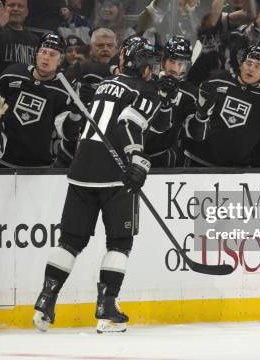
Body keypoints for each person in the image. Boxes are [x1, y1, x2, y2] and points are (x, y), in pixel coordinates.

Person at [32, 37, 163, 334]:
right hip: (114, 172)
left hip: (81, 168)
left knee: (70, 241)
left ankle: (45, 300)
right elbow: (128, 124)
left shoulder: (106, 83)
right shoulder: (145, 90)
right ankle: (107, 307)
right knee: (120, 243)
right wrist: (137, 158)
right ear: (143, 67)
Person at [183, 44, 260, 167]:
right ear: (241, 64)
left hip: (236, 171)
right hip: (197, 162)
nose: (251, 69)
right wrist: (201, 112)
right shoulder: (215, 82)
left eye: (258, 66)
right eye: (248, 63)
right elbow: (189, 127)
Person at [0, 33, 82, 168]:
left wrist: (76, 112)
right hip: (0, 161)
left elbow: (67, 134)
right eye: (43, 52)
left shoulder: (64, 91)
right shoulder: (12, 73)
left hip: (39, 167)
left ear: (60, 59)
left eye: (53, 54)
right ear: (36, 53)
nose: (46, 57)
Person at [144, 35, 208, 167]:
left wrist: (202, 116)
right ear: (163, 61)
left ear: (186, 66)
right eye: (172, 61)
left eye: (180, 64)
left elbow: (195, 135)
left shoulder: (190, 93)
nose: (175, 68)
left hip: (162, 158)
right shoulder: (146, 81)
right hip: (133, 152)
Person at [0, 0, 41, 79]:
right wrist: (0, 27)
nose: (15, 9)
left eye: (20, 6)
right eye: (11, 5)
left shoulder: (35, 40)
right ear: (4, 8)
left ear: (26, 12)